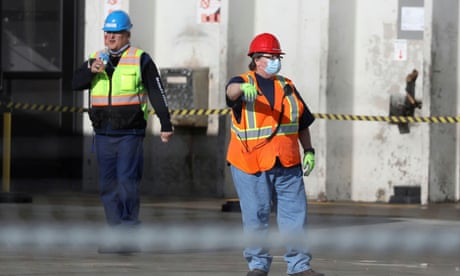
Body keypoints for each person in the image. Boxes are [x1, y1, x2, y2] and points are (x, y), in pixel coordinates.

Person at [72, 10, 173, 247]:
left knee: (127, 181)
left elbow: (156, 91)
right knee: (107, 185)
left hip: (130, 133)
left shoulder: (141, 59)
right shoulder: (95, 58)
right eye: (107, 32)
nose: (110, 37)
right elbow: (75, 83)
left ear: (127, 34)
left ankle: (128, 232)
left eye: (115, 33)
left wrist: (165, 123)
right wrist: (90, 70)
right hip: (103, 133)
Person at [225, 33, 324, 276]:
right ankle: (258, 266)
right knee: (256, 217)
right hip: (251, 164)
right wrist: (242, 89)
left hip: (287, 163)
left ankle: (299, 267)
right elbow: (230, 92)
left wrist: (308, 150)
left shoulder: (287, 86)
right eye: (271, 56)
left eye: (277, 56)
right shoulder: (243, 81)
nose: (275, 61)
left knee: (295, 218)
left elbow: (302, 123)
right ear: (256, 59)